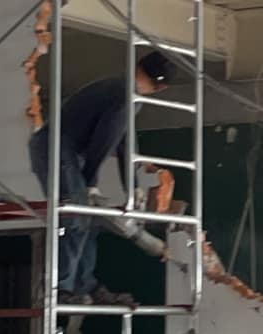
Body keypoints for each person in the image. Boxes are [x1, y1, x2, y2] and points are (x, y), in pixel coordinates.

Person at [28, 50, 172, 305]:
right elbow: (105, 141)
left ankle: (84, 285)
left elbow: (124, 143)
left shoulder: (122, 91)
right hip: (57, 148)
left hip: (65, 149)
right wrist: (91, 181)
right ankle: (60, 289)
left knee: (89, 220)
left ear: (138, 64)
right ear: (162, 88)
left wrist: (133, 188)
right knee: (75, 215)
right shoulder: (126, 97)